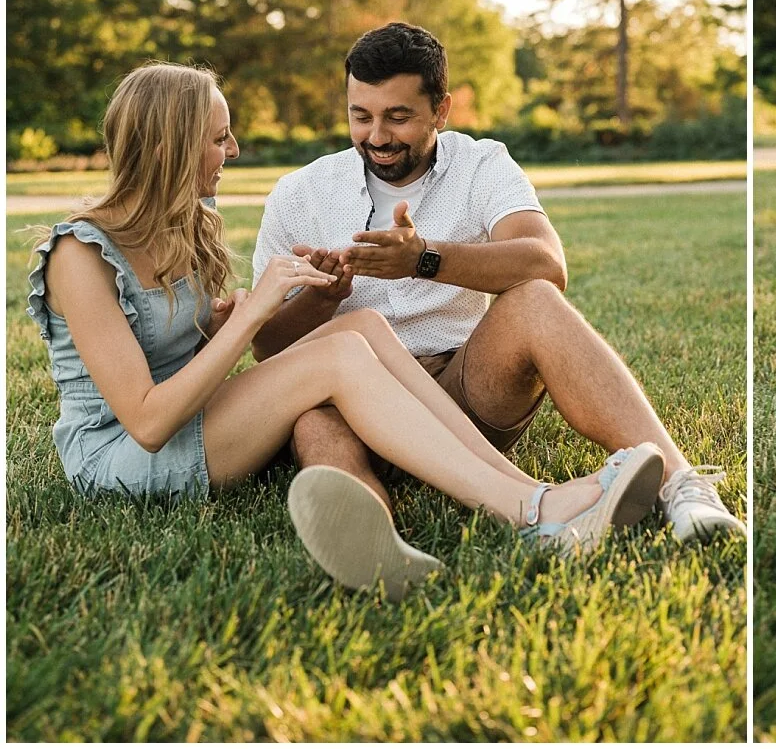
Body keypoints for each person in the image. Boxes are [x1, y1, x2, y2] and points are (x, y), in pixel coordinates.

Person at [27, 63, 665, 601]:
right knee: (331, 361)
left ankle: (526, 492)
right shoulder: (79, 255)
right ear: (169, 144)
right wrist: (249, 316)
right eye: (219, 138)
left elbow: (187, 358)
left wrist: (229, 318)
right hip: (123, 456)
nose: (234, 151)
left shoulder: (189, 225)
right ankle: (533, 512)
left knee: (356, 321)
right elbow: (145, 420)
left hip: (190, 421)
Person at [251, 22, 743, 588]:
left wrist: (424, 258)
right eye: (361, 116)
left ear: (442, 109)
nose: (377, 135)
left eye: (398, 116)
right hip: (351, 400)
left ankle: (681, 489)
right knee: (313, 418)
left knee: (533, 301)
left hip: (464, 386)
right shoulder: (300, 193)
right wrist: (320, 301)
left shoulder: (482, 164)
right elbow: (268, 352)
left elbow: (545, 263)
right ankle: (376, 543)